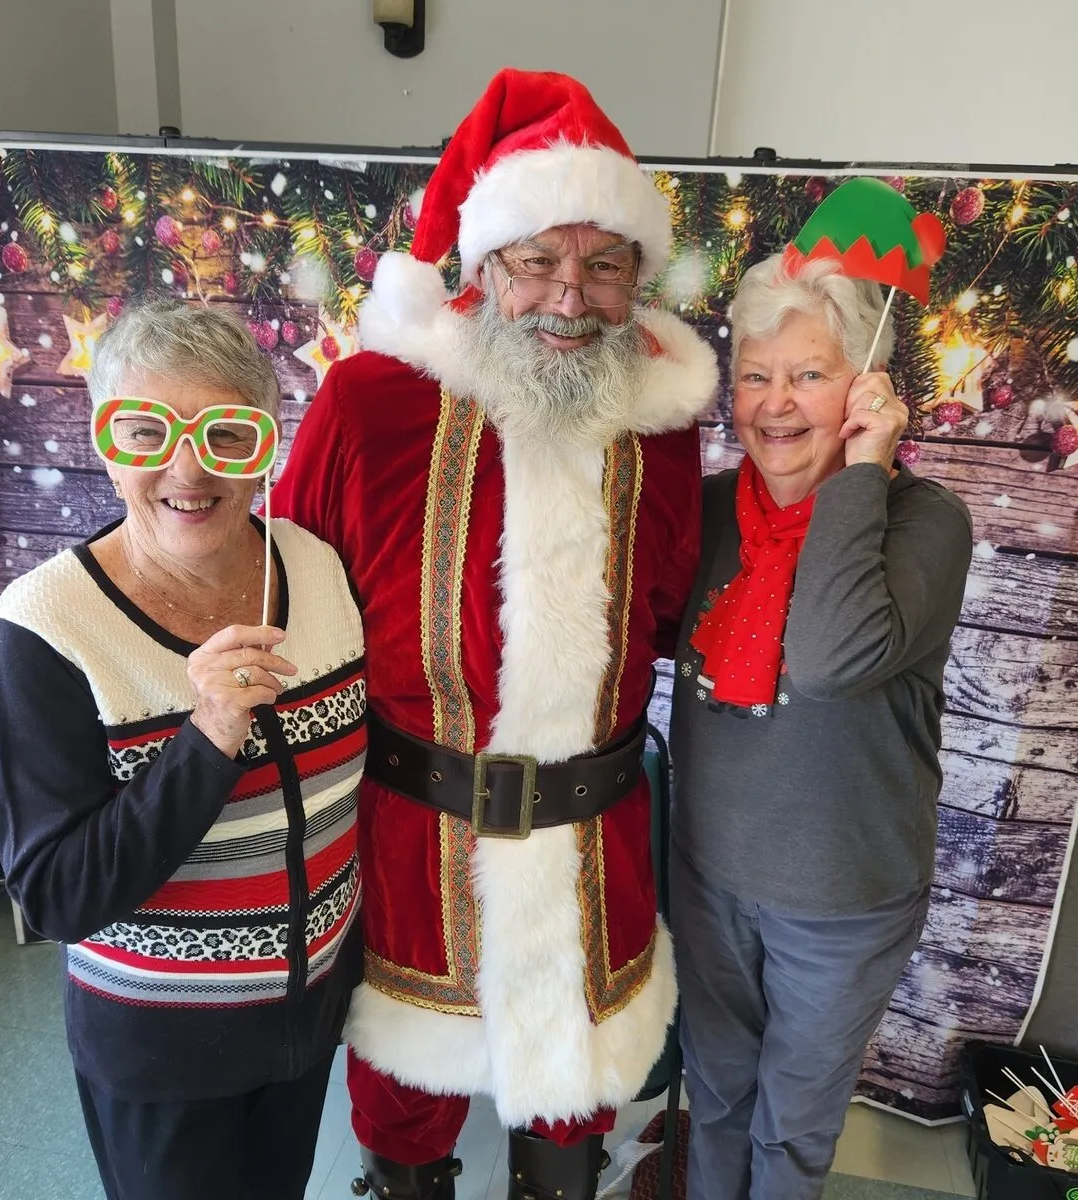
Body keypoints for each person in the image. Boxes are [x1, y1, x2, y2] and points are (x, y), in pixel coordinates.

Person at [269, 69, 719, 1200]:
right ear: (481, 268)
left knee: (573, 1109)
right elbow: (292, 604)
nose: (571, 296)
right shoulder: (369, 404)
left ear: (636, 279)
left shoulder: (661, 435)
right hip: (414, 837)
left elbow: (668, 616)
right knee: (406, 1114)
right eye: (539, 259)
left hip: (592, 847)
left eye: (606, 264)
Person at [0, 300, 366, 1200]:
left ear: (266, 444)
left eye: (226, 434)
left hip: (306, 1022)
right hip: (160, 1052)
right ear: (105, 440)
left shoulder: (315, 566)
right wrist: (206, 742)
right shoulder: (47, 626)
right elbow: (55, 893)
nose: (187, 469)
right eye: (148, 429)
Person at [668, 253, 974, 1200]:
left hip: (840, 900)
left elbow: (837, 659)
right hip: (709, 876)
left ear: (866, 386)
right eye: (756, 376)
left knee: (791, 1131)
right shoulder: (712, 508)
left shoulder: (925, 522)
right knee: (712, 1100)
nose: (776, 405)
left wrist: (864, 466)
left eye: (810, 375)